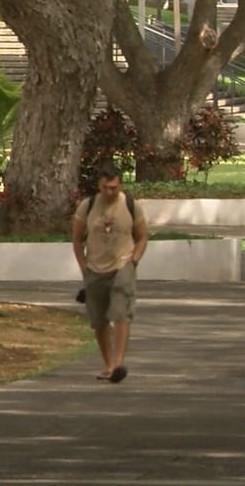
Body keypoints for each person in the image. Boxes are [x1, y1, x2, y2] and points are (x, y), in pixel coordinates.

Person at [72, 163, 149, 384]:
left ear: (120, 185)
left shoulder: (131, 206)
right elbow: (77, 240)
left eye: (114, 188)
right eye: (106, 187)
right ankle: (107, 364)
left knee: (121, 313)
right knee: (99, 320)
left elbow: (142, 236)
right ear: (99, 185)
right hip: (95, 268)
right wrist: (84, 266)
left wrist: (133, 260)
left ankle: (118, 364)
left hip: (123, 265)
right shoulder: (87, 206)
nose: (110, 192)